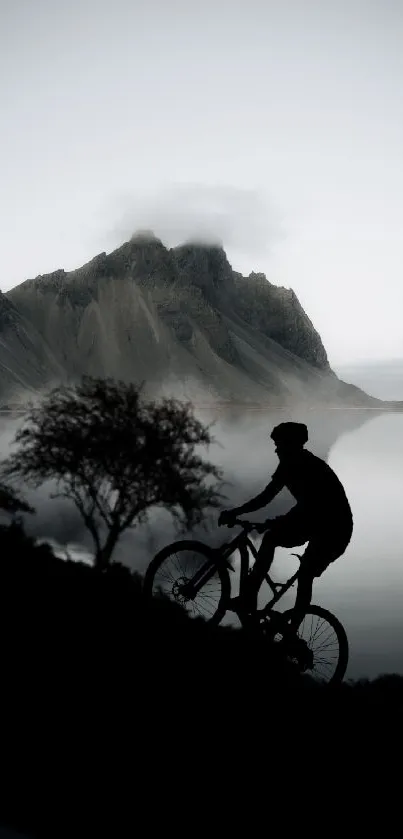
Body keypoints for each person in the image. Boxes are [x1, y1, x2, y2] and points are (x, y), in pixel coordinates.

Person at [218, 422, 353, 631]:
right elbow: (266, 497)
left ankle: (292, 632)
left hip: (335, 530)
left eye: (279, 444)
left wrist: (276, 521)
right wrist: (236, 512)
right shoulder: (288, 464)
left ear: (292, 445)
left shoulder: (309, 466)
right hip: (316, 522)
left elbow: (309, 507)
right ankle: (249, 599)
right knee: (271, 538)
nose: (276, 449)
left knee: (306, 574)